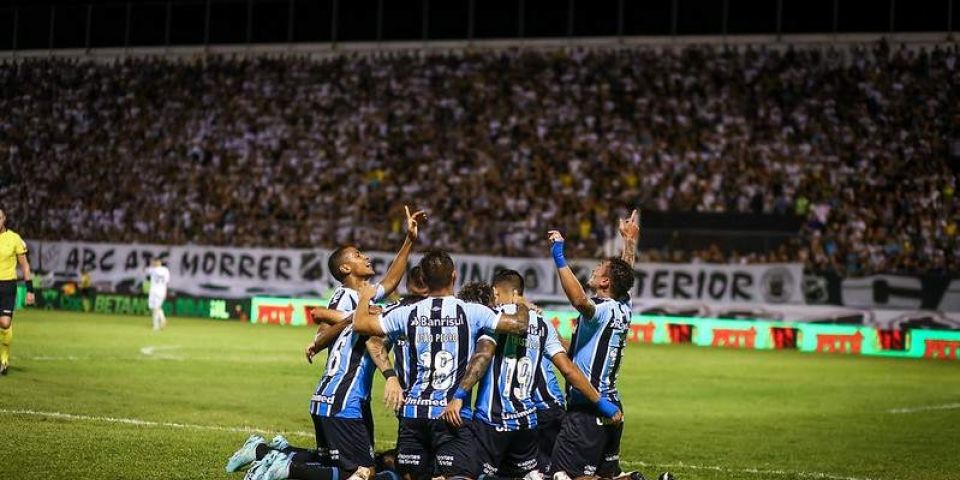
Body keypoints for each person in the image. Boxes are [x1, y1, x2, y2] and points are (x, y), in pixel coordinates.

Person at [229, 207, 426, 480]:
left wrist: (409, 240)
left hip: (339, 396)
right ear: (346, 268)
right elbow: (322, 333)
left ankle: (263, 452)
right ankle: (286, 467)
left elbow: (391, 281)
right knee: (362, 471)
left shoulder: (364, 296)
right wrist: (350, 320)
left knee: (332, 459)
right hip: (344, 394)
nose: (366, 257)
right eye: (358, 255)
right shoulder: (345, 296)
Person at [351, 249, 533, 480]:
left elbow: (362, 326)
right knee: (461, 475)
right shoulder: (472, 311)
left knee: (411, 476)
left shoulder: (406, 313)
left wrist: (365, 297)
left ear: (424, 280)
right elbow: (519, 325)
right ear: (454, 276)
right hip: (451, 413)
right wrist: (522, 303)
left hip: (412, 412)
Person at [441, 272, 621, 480]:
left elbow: (481, 358)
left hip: (491, 421)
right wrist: (601, 403)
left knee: (467, 474)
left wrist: (460, 395)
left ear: (495, 292)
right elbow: (569, 370)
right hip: (526, 422)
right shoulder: (544, 325)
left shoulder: (492, 318)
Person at [546, 227, 637, 480]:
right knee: (606, 475)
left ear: (606, 283)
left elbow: (578, 301)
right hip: (612, 404)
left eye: (599, 268)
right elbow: (624, 275)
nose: (595, 269)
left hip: (590, 406)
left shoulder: (600, 310)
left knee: (564, 475)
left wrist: (559, 256)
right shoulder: (624, 306)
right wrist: (629, 242)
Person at [0, 207, 35, 376]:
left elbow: (25, 266)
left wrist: (30, 290)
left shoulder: (14, 239)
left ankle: (4, 358)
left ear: (4, 219)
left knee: (5, 323)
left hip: (7, 285)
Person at [145, 259, 171, 331]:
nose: (154, 263)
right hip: (160, 291)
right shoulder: (166, 270)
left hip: (155, 291)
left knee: (156, 308)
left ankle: (156, 326)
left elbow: (144, 270)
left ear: (158, 262)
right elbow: (167, 281)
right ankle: (162, 319)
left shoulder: (153, 269)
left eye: (155, 262)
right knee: (155, 308)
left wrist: (151, 265)